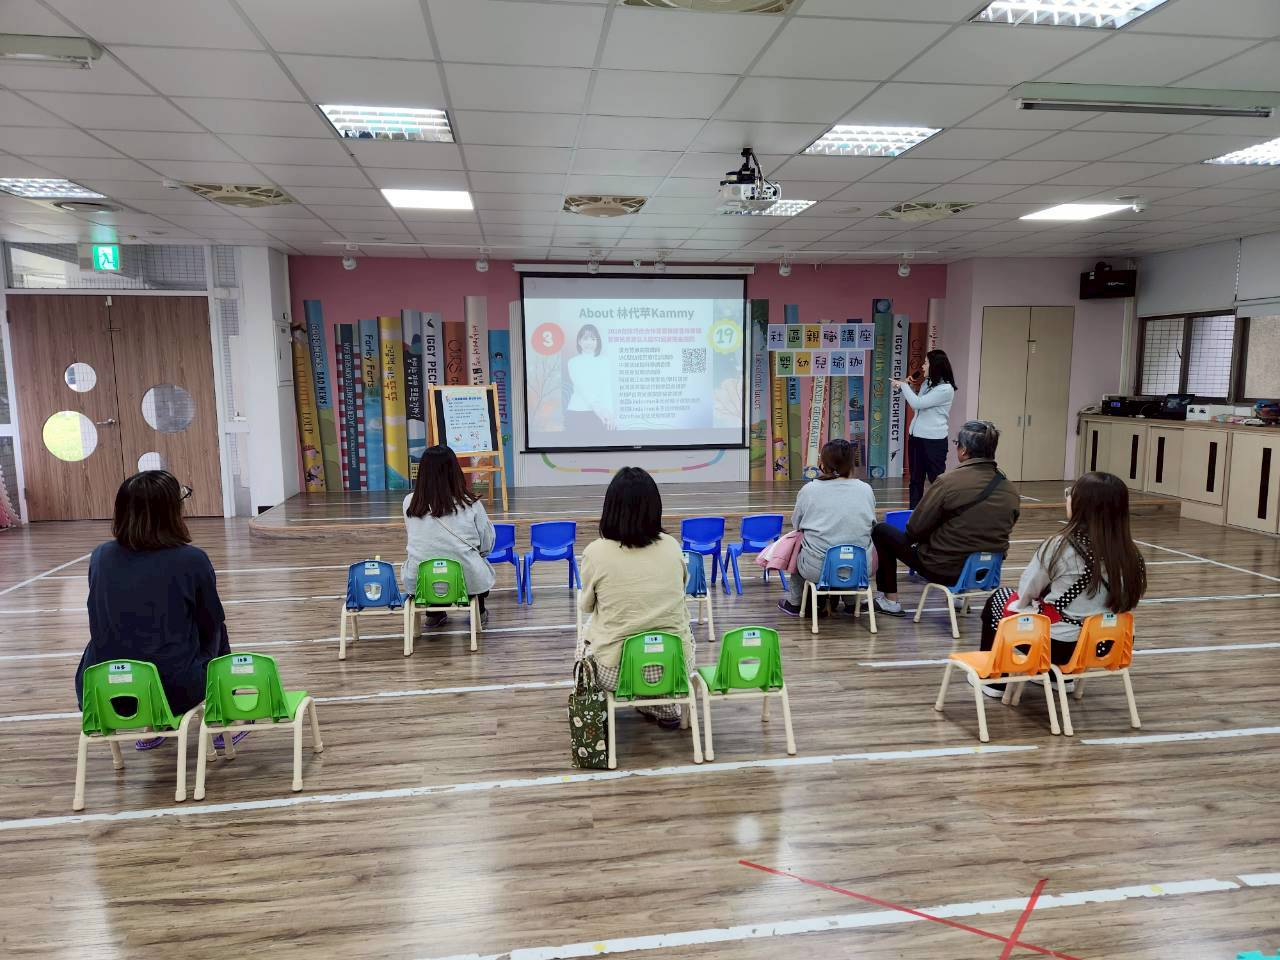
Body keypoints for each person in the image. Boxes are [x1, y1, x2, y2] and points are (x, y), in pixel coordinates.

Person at [75, 471, 232, 751]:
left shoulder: (101, 556)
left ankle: (153, 725)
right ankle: (225, 719)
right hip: (173, 691)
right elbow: (210, 622)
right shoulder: (191, 560)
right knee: (216, 627)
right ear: (171, 511)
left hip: (101, 691)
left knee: (121, 631)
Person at [976, 471, 1147, 696]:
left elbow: (1027, 592)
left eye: (1070, 494)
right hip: (1111, 643)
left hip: (1059, 647)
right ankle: (1060, 678)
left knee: (998, 600)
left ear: (1081, 505)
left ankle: (994, 680)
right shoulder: (1131, 553)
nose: (1067, 498)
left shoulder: (1059, 546)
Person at [578, 466, 694, 730]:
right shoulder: (672, 546)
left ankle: (594, 713)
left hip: (616, 673)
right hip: (675, 666)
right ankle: (663, 706)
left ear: (610, 508)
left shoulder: (595, 552)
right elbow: (681, 590)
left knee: (586, 635)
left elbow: (586, 606)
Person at [871, 420, 1020, 616]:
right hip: (987, 570)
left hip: (944, 569)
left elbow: (914, 529)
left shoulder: (947, 483)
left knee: (881, 531)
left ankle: (890, 601)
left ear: (964, 450)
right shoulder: (1010, 489)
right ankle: (959, 596)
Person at [777, 439, 877, 618]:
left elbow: (797, 524)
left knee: (798, 543)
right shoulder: (866, 489)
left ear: (823, 463)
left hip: (817, 569)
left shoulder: (810, 490)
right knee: (852, 544)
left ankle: (795, 602)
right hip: (860, 568)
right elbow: (871, 523)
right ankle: (852, 603)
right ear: (851, 463)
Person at [403, 445, 496, 629]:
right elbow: (486, 543)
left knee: (432, 559)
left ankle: (434, 613)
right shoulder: (471, 503)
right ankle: (478, 612)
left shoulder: (410, 502)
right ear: (455, 471)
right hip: (465, 580)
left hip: (421, 581)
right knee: (475, 565)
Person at [892, 349, 956, 509]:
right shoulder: (927, 383)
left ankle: (942, 512)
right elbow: (918, 406)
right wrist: (907, 388)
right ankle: (913, 513)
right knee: (915, 480)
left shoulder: (945, 389)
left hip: (934, 441)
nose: (922, 366)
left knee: (936, 480)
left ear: (935, 365)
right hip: (916, 438)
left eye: (926, 363)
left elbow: (918, 403)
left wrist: (904, 386)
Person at [565, 323, 614, 433]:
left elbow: (607, 389)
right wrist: (601, 412)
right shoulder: (573, 362)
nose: (589, 342)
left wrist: (610, 413)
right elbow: (584, 389)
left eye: (593, 339)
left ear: (597, 342)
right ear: (579, 341)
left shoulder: (604, 361)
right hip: (577, 413)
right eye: (585, 339)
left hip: (601, 414)